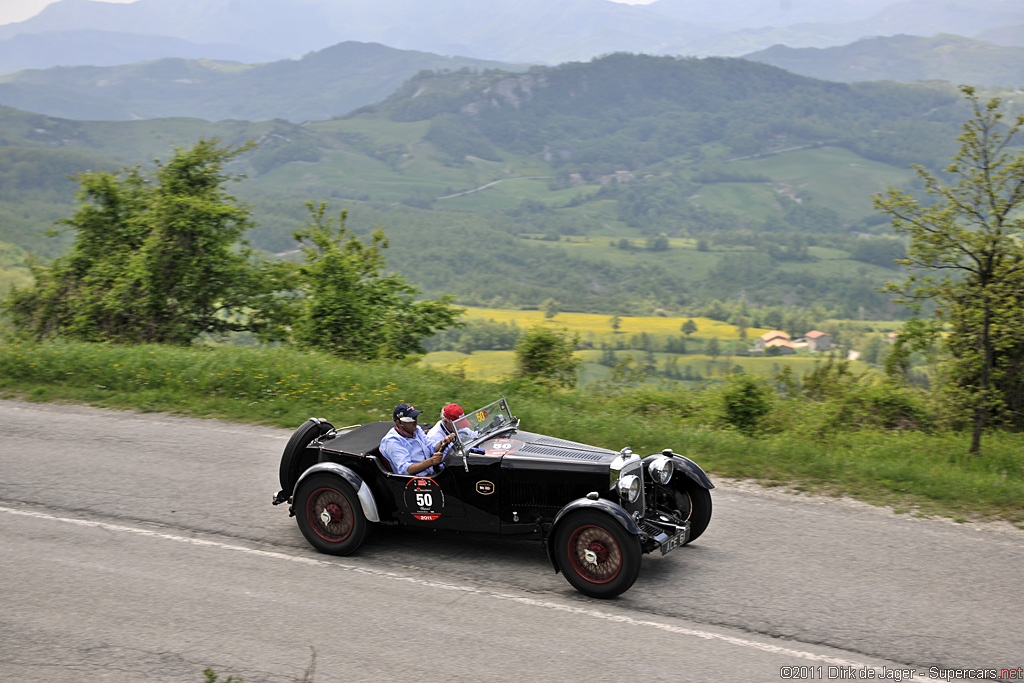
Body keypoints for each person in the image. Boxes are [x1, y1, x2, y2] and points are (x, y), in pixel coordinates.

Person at [380, 403, 454, 476]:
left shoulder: (416, 429)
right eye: (411, 419)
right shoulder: (392, 441)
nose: (415, 420)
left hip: (431, 474)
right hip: (415, 482)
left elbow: (431, 446)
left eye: (415, 417)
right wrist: (431, 462)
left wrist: (442, 442)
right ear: (399, 423)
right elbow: (405, 470)